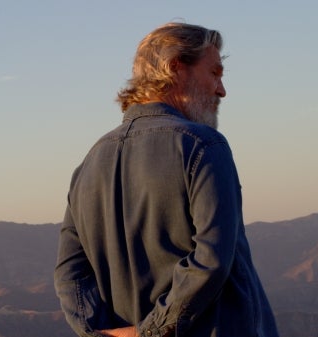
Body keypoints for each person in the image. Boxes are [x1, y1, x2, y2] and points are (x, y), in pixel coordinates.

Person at [54, 22, 279, 337]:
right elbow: (211, 260)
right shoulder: (204, 145)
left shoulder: (89, 163)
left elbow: (70, 274)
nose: (221, 90)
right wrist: (151, 331)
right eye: (215, 73)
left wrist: (102, 332)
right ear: (176, 68)